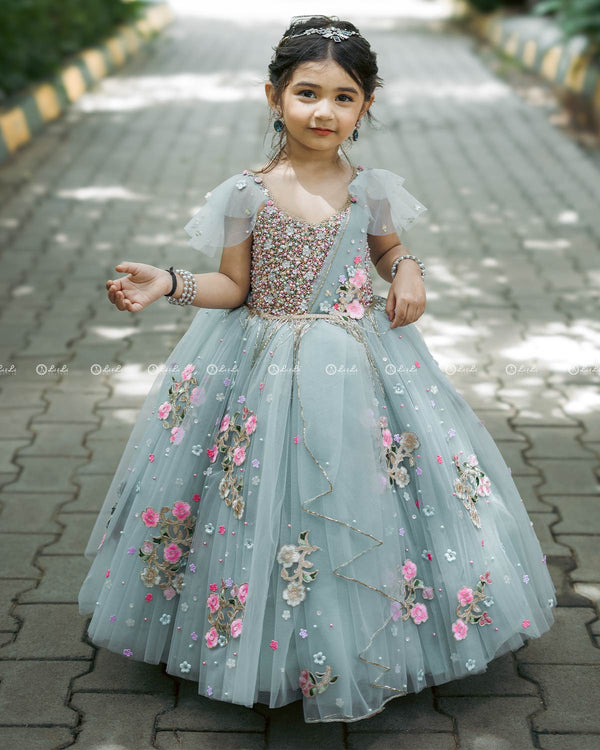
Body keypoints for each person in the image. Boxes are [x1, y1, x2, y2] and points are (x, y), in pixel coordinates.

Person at [78, 14, 556, 724]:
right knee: (265, 503)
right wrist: (169, 283)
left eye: (343, 96)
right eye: (306, 93)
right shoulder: (246, 192)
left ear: (366, 104)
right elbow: (233, 287)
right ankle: (272, 645)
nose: (323, 110)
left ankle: (370, 639)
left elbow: (390, 253)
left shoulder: (372, 190)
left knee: (370, 498)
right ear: (274, 98)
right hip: (264, 368)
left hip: (362, 368)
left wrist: (409, 271)